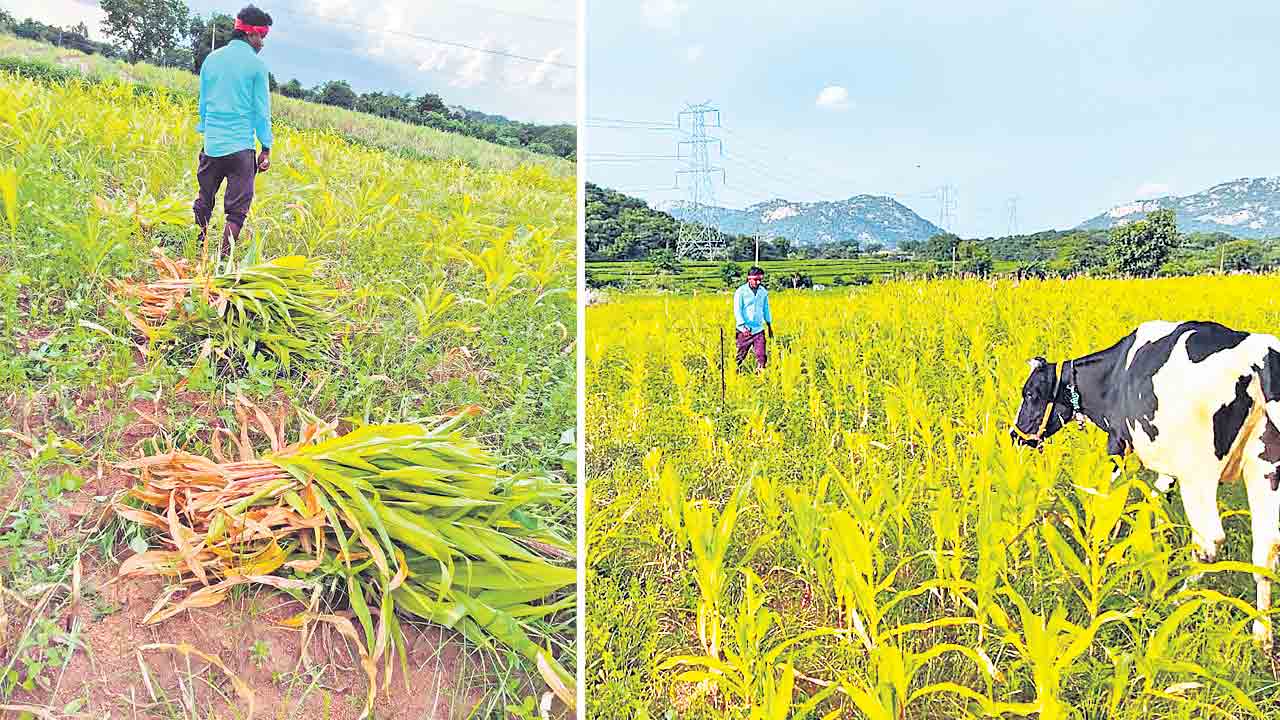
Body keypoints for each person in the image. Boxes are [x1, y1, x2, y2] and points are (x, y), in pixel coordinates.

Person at [193, 5, 274, 259]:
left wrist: (207, 132)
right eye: (261, 37)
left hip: (213, 145)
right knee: (237, 211)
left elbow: (203, 102)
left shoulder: (212, 60)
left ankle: (201, 243)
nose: (262, 43)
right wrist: (266, 148)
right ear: (250, 34)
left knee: (205, 198)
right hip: (241, 150)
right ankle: (222, 259)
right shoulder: (257, 66)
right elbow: (262, 111)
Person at [733, 266, 774, 370]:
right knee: (740, 355)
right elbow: (738, 310)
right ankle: (734, 372)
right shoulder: (741, 292)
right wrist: (742, 326)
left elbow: (766, 308)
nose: (758, 282)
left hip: (758, 329)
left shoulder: (763, 291)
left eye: (760, 279)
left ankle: (760, 377)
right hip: (745, 330)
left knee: (761, 356)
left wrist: (769, 325)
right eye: (756, 279)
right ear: (749, 278)